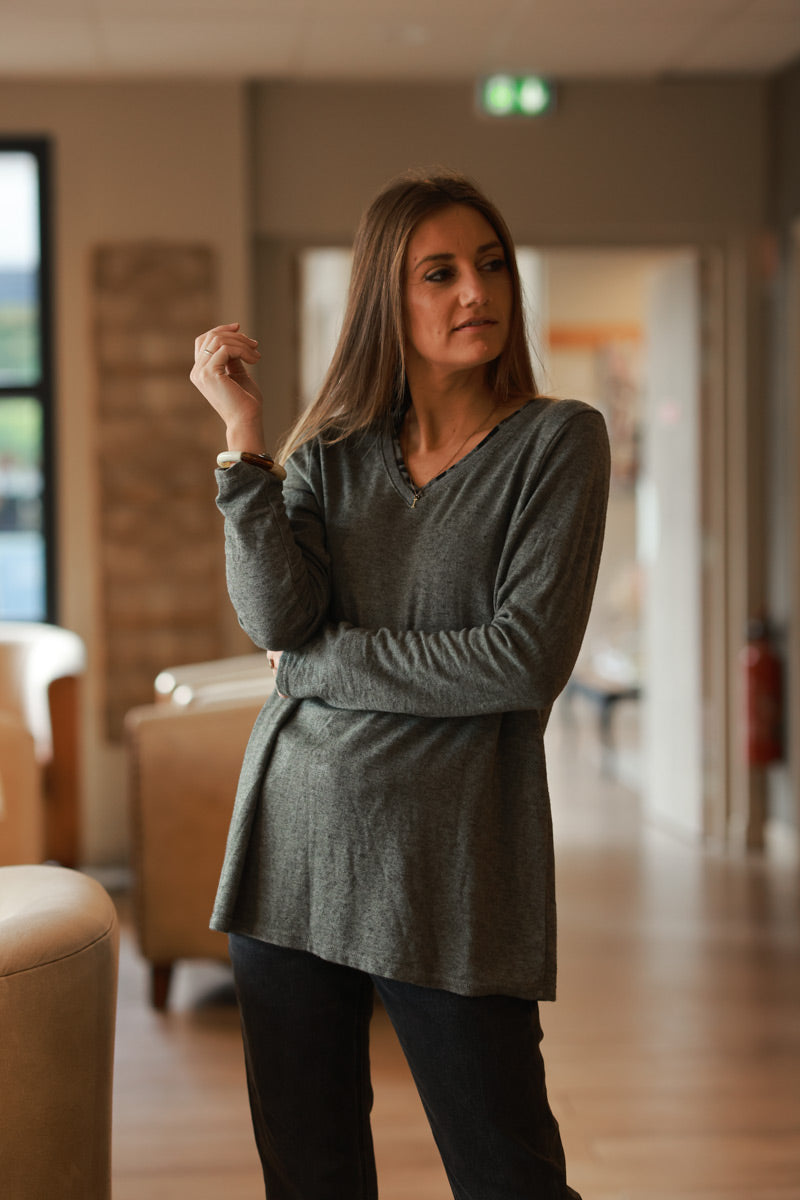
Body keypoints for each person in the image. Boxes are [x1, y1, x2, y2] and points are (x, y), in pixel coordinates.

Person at [190, 168, 610, 1200]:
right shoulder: (329, 457)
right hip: (290, 858)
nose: (476, 290)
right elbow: (274, 621)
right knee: (311, 1179)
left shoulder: (556, 442)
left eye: (490, 264)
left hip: (452, 873)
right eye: (439, 273)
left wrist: (327, 664)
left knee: (509, 1174)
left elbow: (518, 660)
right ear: (388, 295)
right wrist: (243, 443)